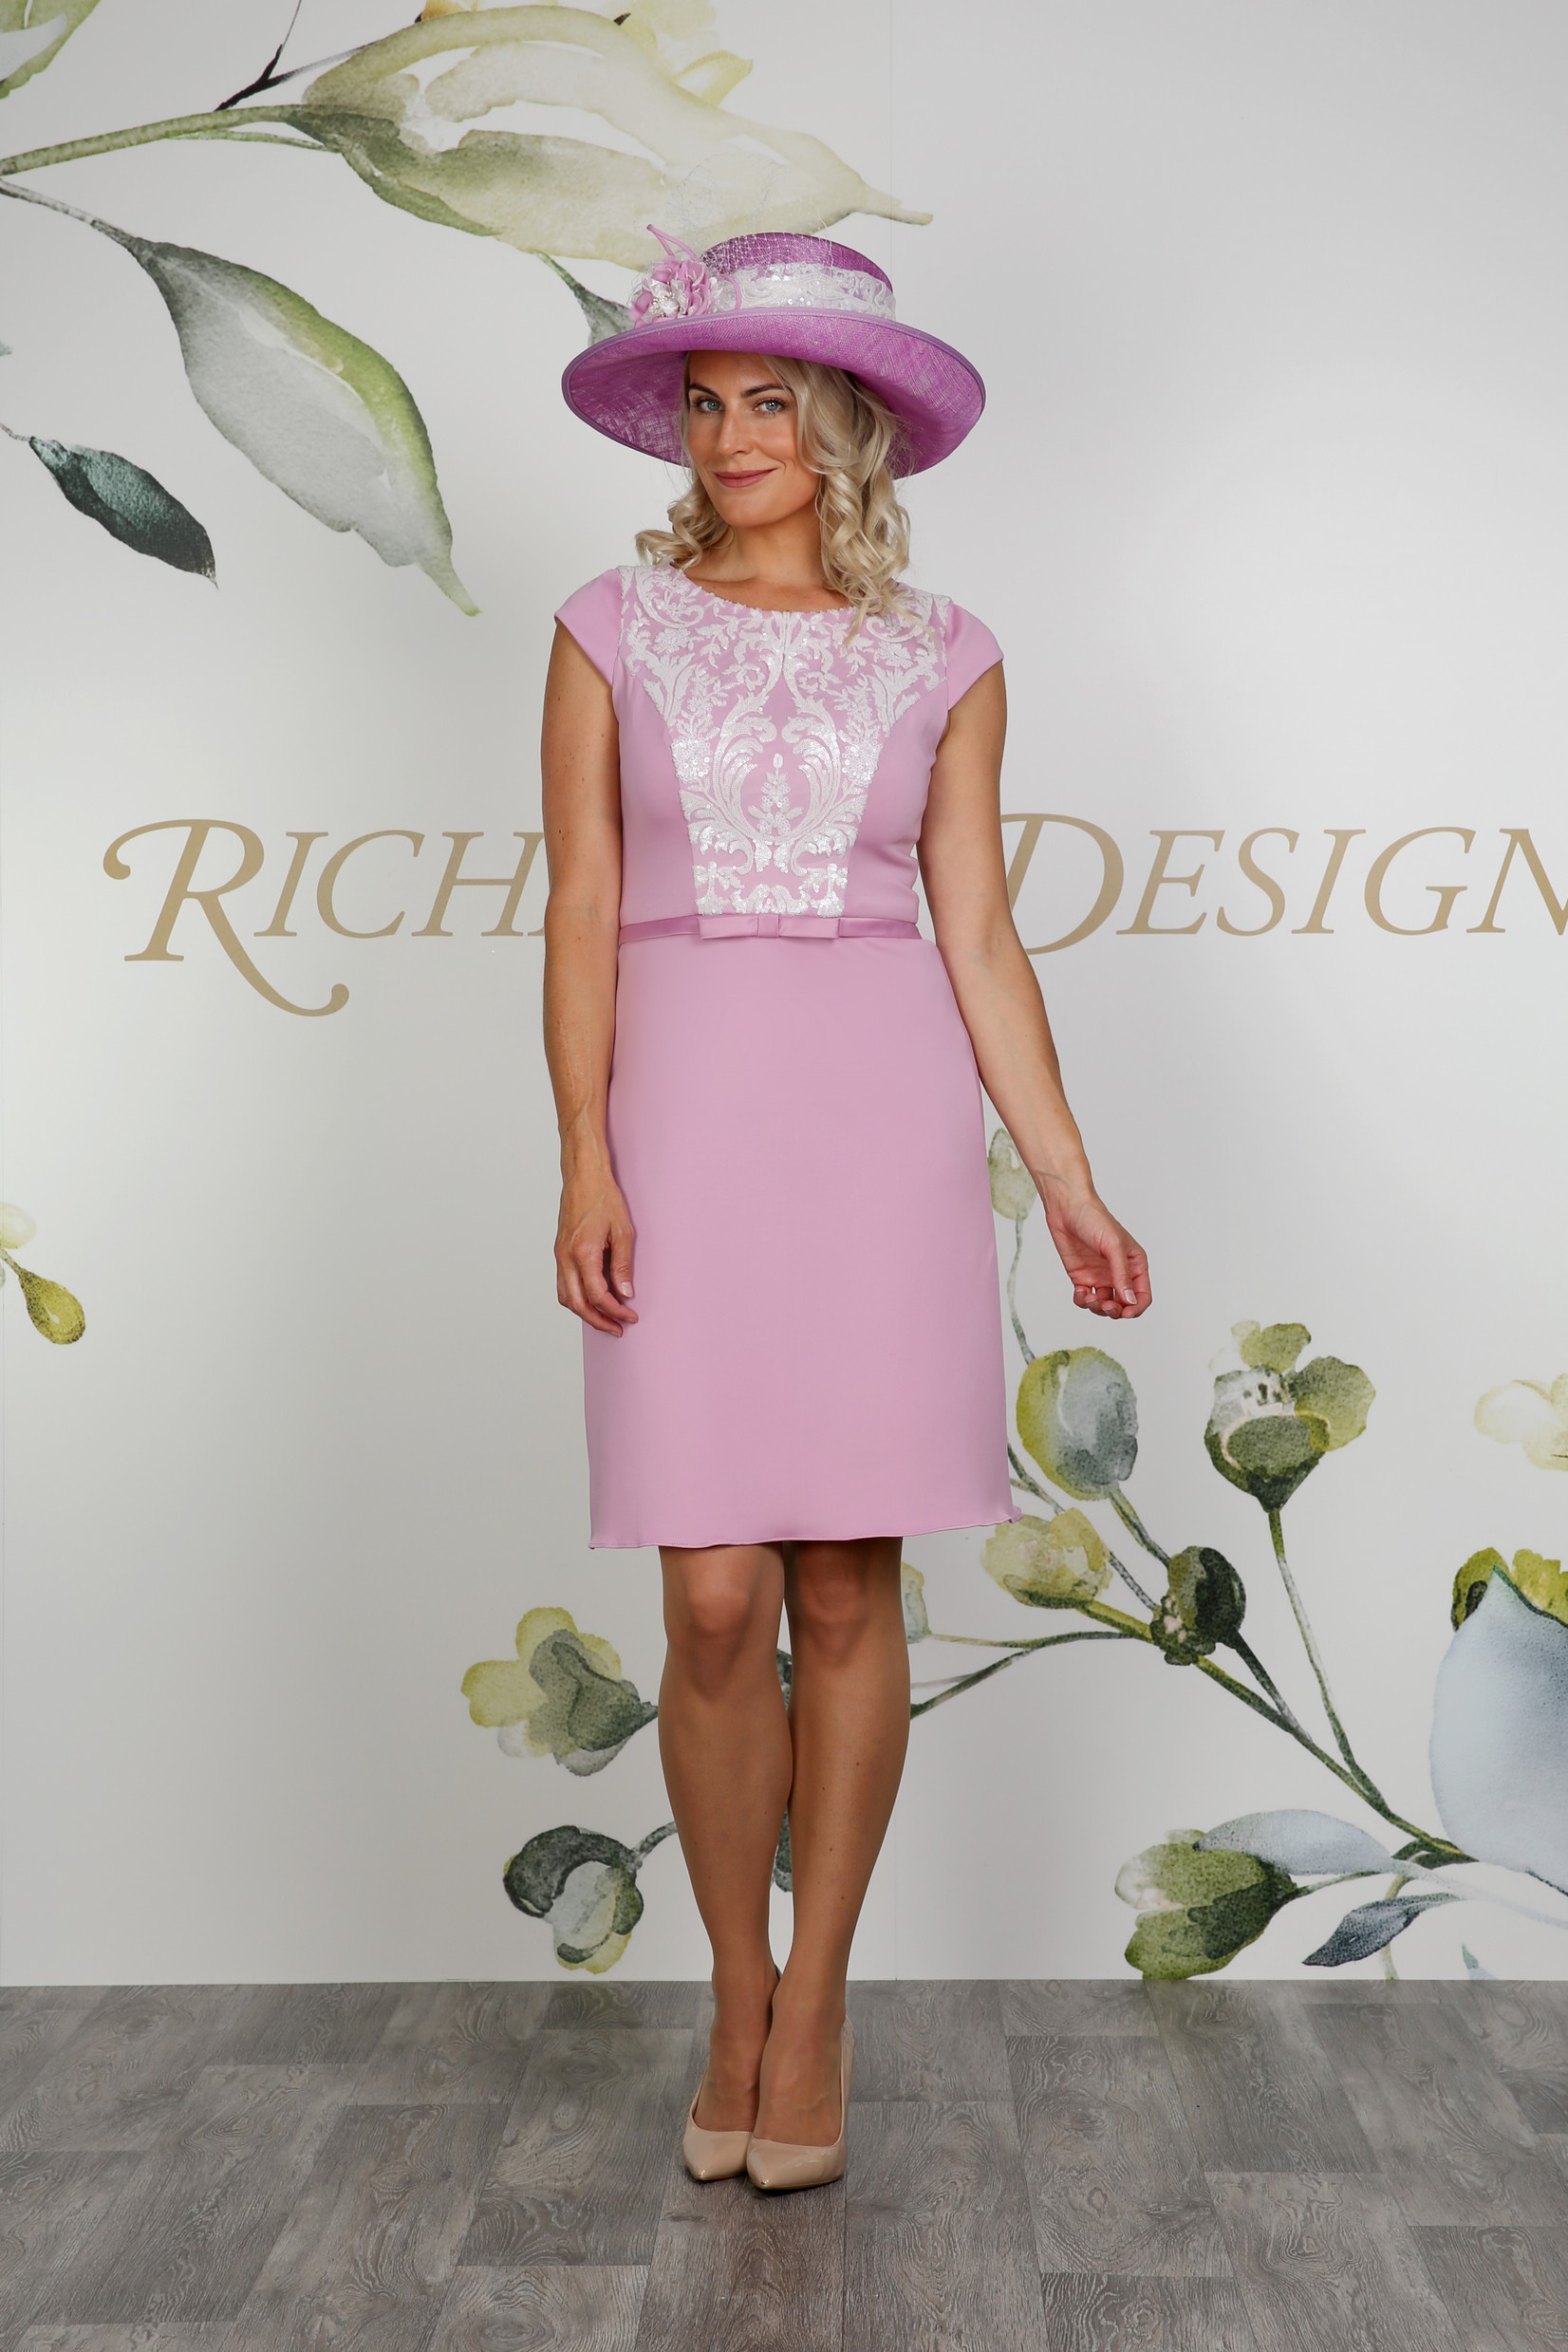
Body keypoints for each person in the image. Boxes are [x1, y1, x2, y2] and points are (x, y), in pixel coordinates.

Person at [540, 230, 1151, 2193]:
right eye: (707, 401)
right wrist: (583, 1151)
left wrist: (1066, 1178)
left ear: (848, 426)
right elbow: (578, 906)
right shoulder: (606, 627)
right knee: (712, 1595)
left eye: (772, 401)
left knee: (838, 1583)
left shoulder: (948, 650)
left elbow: (978, 933)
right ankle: (734, 1991)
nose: (733, 435)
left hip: (878, 1134)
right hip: (683, 1128)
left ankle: (814, 2014)